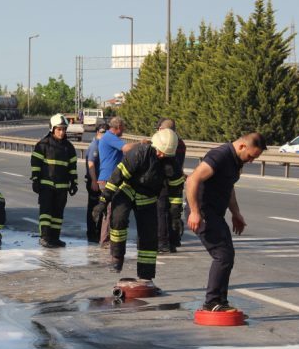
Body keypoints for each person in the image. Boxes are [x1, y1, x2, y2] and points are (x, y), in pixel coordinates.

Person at [186, 132, 267, 312]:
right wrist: (194, 212)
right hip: (203, 212)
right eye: (251, 156)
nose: (251, 161)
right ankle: (212, 302)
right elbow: (192, 179)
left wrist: (236, 213)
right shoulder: (220, 155)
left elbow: (228, 187)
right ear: (242, 146)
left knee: (227, 255)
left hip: (215, 213)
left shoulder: (236, 161)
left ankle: (220, 301)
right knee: (222, 255)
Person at [92, 128, 185, 283]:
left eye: (166, 154)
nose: (162, 156)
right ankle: (117, 258)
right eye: (160, 152)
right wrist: (103, 201)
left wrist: (175, 217)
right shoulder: (139, 154)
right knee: (118, 219)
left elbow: (176, 193)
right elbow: (117, 177)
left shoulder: (172, 165)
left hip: (148, 197)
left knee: (149, 236)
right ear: (155, 146)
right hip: (127, 189)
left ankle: (146, 274)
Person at [31, 113, 79, 248]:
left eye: (64, 129)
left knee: (58, 214)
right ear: (52, 128)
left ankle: (55, 238)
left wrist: (74, 182)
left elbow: (72, 167)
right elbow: (35, 164)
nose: (62, 132)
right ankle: (45, 238)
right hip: (46, 185)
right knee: (46, 213)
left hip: (62, 186)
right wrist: (35, 179)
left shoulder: (69, 147)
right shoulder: (43, 144)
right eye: (59, 129)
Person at [96, 116, 139, 249]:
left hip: (111, 179)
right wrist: (141, 143)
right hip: (108, 180)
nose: (124, 129)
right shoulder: (109, 137)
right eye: (123, 127)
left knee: (112, 210)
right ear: (119, 126)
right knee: (110, 210)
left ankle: (108, 239)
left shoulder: (110, 138)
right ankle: (105, 240)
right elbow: (126, 148)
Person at [156, 118, 187, 254]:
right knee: (174, 211)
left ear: (163, 130)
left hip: (164, 182)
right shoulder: (181, 144)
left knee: (161, 212)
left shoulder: (164, 142)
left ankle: (162, 242)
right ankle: (174, 241)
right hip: (177, 181)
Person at [85, 123, 108, 242]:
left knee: (102, 207)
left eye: (106, 132)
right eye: (102, 132)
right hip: (95, 181)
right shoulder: (96, 145)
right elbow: (91, 164)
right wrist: (94, 180)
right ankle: (92, 233)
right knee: (93, 208)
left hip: (102, 181)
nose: (104, 134)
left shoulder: (104, 144)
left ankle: (99, 232)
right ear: (98, 132)